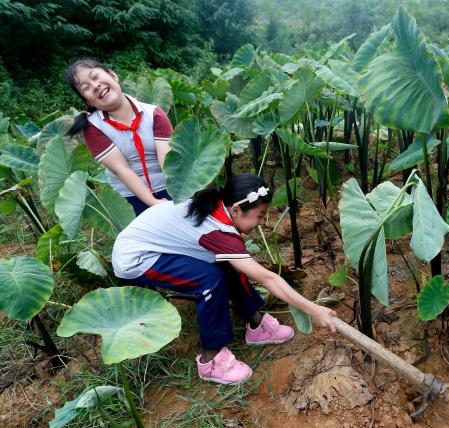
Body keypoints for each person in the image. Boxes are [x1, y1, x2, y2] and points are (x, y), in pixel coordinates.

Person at [111, 173, 336, 385]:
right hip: (137, 257)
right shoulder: (219, 231)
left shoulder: (221, 208)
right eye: (259, 216)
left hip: (161, 245)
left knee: (231, 265)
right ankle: (212, 359)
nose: (261, 222)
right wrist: (313, 309)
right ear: (236, 210)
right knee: (209, 280)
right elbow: (268, 279)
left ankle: (256, 325)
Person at [65, 58, 172, 216]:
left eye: (95, 77)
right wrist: (153, 203)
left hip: (169, 187)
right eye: (85, 88)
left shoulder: (154, 114)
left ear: (113, 75)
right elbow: (122, 169)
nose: (95, 86)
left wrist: (175, 200)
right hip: (130, 198)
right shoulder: (93, 127)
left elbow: (167, 163)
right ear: (88, 101)